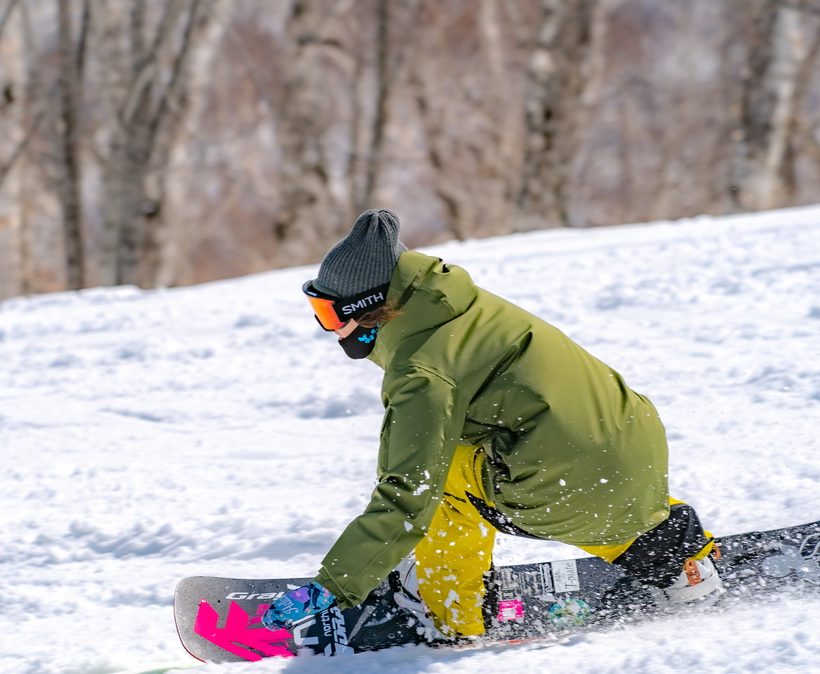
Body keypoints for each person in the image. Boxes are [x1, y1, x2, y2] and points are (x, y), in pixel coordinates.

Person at [263, 209, 721, 640]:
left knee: (443, 480)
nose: (329, 330)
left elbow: (409, 494)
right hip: (635, 446)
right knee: (572, 458)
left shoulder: (421, 369)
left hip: (569, 483)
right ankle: (677, 561)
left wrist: (335, 586)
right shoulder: (469, 308)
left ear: (368, 310)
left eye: (327, 315)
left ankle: (452, 615)